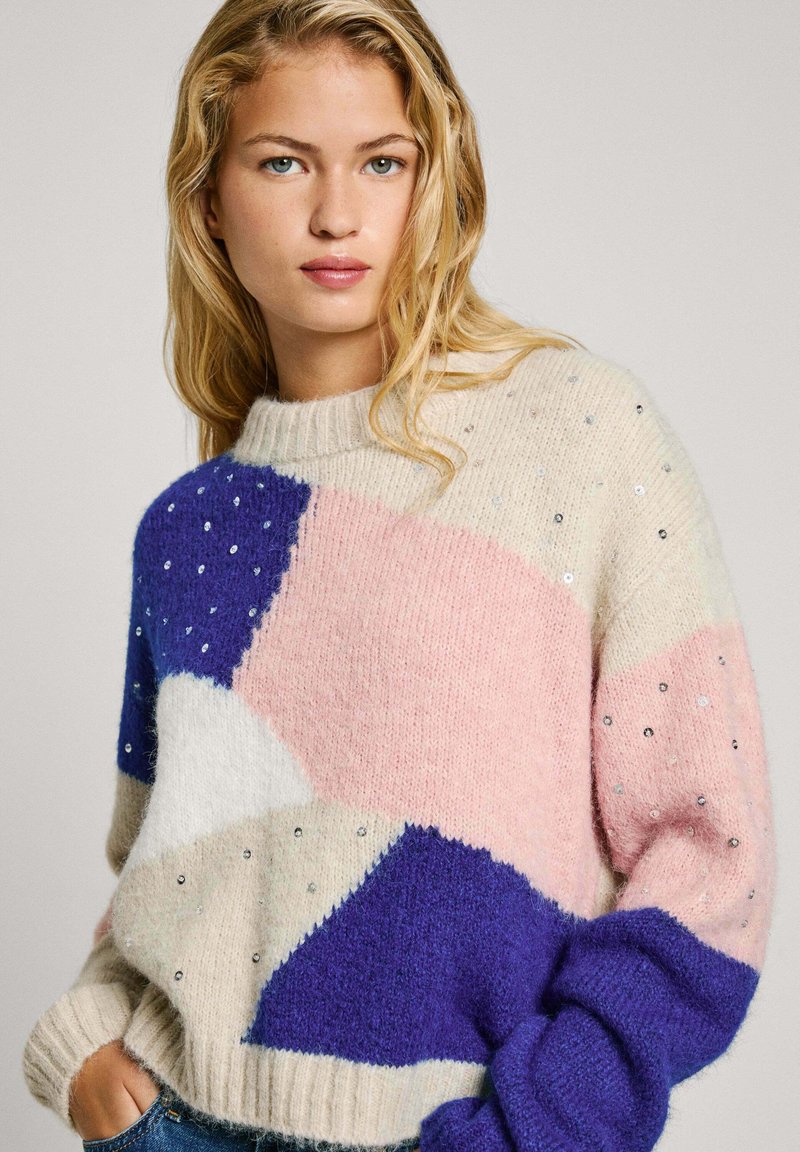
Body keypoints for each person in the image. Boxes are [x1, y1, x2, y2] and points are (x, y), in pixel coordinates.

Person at [22, 1, 776, 1150]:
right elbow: (162, 870)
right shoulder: (186, 530)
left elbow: (710, 859)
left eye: (381, 162)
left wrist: (541, 1129)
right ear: (209, 199)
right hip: (175, 1124)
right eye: (282, 162)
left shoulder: (577, 431)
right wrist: (85, 1047)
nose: (336, 214)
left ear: (436, 182)